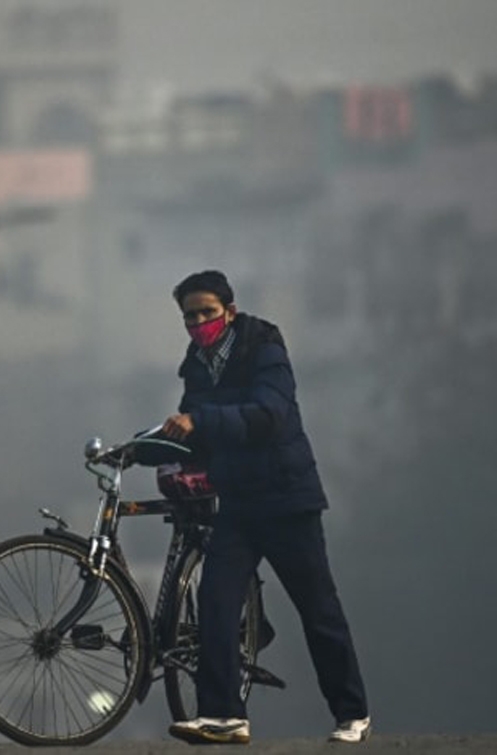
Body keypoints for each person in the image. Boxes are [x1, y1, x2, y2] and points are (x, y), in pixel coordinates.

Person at [161, 270, 370, 745]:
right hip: (237, 505)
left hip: (287, 498)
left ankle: (352, 713)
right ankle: (223, 714)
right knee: (215, 603)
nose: (198, 323)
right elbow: (194, 435)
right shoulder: (196, 365)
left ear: (229, 312)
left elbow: (269, 417)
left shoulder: (264, 348)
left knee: (317, 610)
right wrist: (154, 451)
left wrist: (199, 420)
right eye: (189, 317)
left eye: (207, 313)